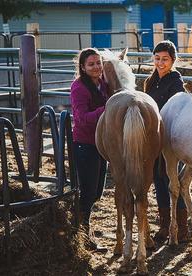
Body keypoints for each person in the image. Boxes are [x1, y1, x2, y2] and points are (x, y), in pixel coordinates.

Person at [144, 40, 191, 243]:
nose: (160, 63)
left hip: (169, 136)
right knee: (157, 178)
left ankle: (182, 227)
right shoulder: (150, 81)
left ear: (173, 61)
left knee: (170, 178)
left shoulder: (176, 82)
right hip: (153, 137)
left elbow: (177, 110)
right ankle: (164, 224)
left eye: (165, 59)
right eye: (157, 59)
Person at [70, 48, 109, 252]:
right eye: (91, 64)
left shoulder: (102, 84)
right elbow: (82, 118)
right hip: (85, 145)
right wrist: (107, 108)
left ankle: (78, 230)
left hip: (101, 143)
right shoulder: (79, 88)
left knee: (97, 193)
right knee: (87, 193)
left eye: (98, 63)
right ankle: (82, 238)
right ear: (83, 68)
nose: (96, 67)